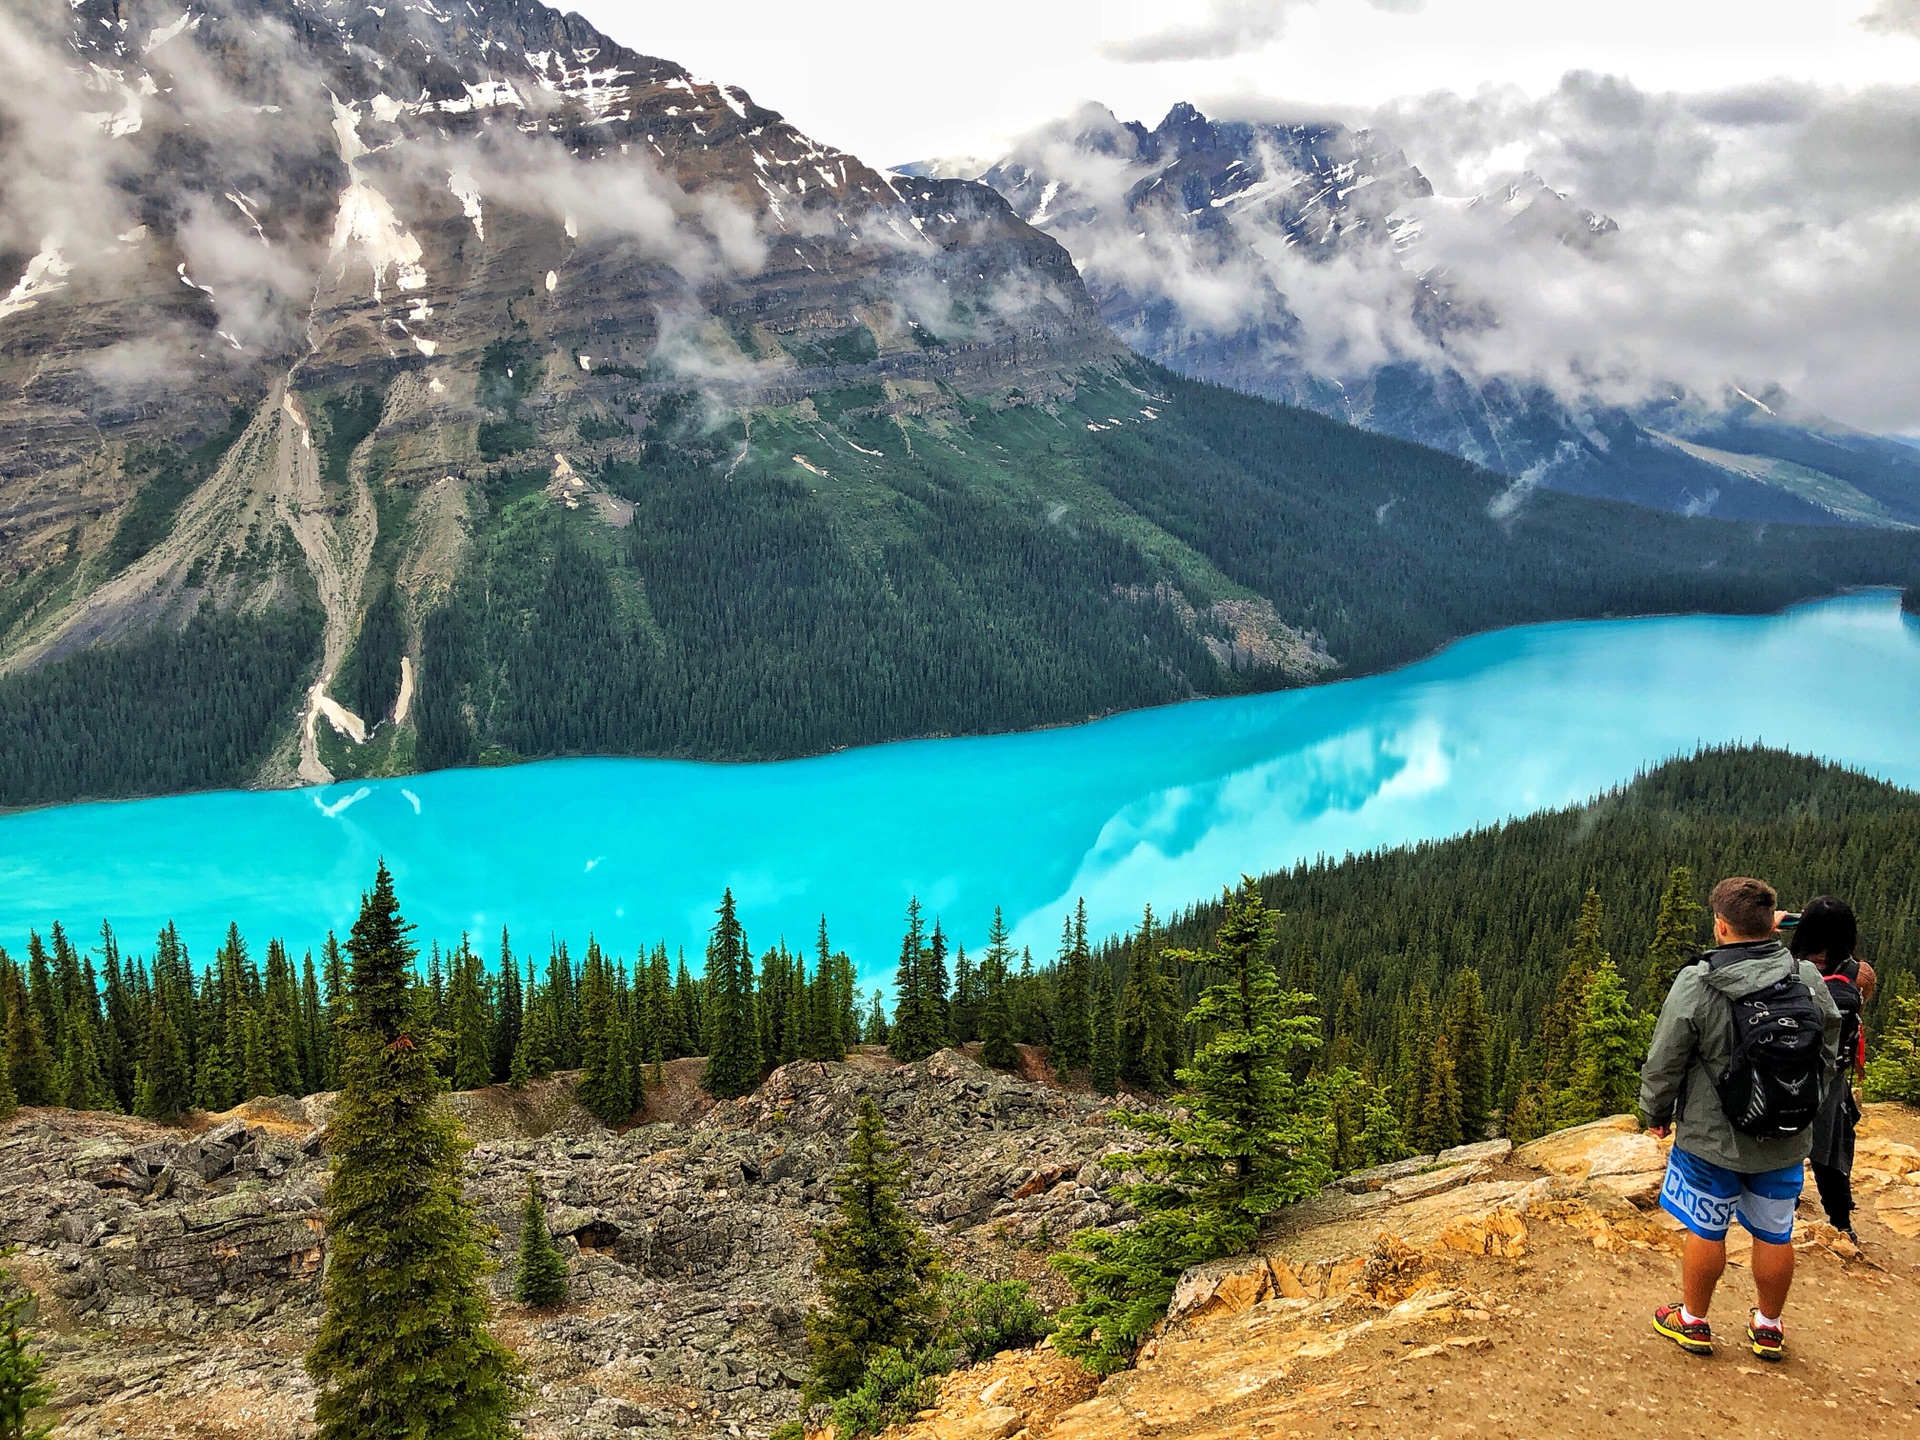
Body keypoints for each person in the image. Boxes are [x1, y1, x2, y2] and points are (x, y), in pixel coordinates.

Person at [1639, 876, 1841, 1362]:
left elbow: (1666, 1056)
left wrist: (1656, 1112)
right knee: (1775, 1232)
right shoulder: (1804, 977)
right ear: (1772, 925)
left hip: (1713, 1137)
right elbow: (1828, 1048)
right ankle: (1768, 1327)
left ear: (1722, 926)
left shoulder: (1699, 980)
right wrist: (1802, 1101)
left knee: (1706, 1229)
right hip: (1786, 1135)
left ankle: (1694, 1322)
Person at [1792, 896, 1876, 1243]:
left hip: (1792, 1071)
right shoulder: (1860, 973)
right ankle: (1841, 1222)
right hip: (1834, 1075)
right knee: (1832, 1149)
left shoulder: (1790, 967)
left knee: (1787, 1138)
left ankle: (1786, 1204)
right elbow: (1861, 1005)